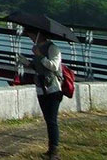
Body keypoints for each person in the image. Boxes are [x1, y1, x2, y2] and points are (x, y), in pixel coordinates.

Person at [22, 27, 63, 160]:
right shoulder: (36, 48)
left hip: (53, 88)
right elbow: (37, 66)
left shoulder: (53, 48)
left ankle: (54, 151)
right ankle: (51, 150)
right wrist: (27, 62)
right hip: (41, 87)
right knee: (48, 119)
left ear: (38, 34)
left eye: (30, 34)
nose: (30, 37)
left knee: (52, 120)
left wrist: (39, 55)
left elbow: (54, 66)